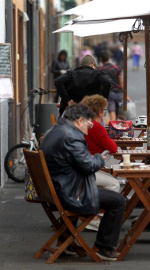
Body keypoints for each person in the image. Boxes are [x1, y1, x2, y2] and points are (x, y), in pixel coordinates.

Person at [39, 104, 125, 260]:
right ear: (79, 120)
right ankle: (103, 248)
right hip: (70, 192)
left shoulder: (56, 131)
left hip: (57, 189)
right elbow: (89, 166)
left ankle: (64, 242)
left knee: (111, 196)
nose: (90, 127)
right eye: (89, 123)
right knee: (118, 201)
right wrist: (99, 157)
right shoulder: (71, 136)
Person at [81, 94, 120, 193]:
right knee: (114, 184)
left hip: (79, 168)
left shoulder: (83, 123)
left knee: (109, 178)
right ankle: (107, 207)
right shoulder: (96, 127)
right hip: (86, 171)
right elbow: (113, 148)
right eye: (104, 110)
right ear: (100, 112)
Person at [99, 50, 129, 120]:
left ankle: (114, 129)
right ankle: (121, 128)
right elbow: (121, 83)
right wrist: (126, 95)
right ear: (109, 57)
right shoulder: (116, 68)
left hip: (109, 94)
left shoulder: (100, 69)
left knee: (112, 114)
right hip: (119, 94)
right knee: (122, 116)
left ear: (101, 59)